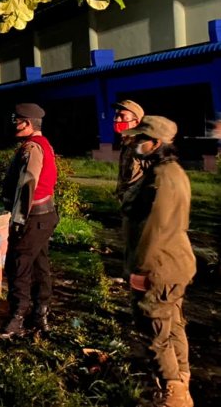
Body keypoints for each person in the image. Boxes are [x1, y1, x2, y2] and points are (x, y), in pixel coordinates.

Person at [121, 116, 195, 407]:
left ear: (156, 143)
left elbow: (157, 228)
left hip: (160, 265)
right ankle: (181, 382)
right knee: (173, 324)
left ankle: (174, 393)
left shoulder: (164, 177)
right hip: (173, 263)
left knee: (155, 330)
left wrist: (141, 269)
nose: (136, 143)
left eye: (142, 139)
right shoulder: (164, 171)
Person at [0, 103, 58, 338]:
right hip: (44, 216)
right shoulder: (44, 144)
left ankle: (17, 318)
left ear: (27, 123)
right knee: (39, 265)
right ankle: (40, 314)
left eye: (17, 121)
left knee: (18, 265)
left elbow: (27, 185)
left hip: (33, 217)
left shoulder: (32, 147)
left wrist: (17, 219)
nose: (14, 125)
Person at [113, 99, 146, 278]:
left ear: (136, 122)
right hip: (129, 205)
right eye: (116, 115)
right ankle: (130, 277)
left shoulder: (143, 145)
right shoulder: (126, 143)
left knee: (141, 247)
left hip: (141, 207)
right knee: (130, 243)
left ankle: (139, 279)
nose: (117, 119)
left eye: (122, 116)